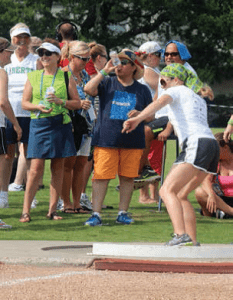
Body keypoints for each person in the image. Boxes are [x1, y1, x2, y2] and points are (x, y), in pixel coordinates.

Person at [122, 63, 219, 246]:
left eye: (163, 81)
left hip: (196, 144)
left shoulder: (177, 90)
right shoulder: (196, 97)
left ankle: (180, 235)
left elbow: (158, 103)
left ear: (176, 79)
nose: (162, 85)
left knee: (166, 190)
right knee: (180, 195)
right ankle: (192, 240)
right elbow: (170, 116)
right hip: (210, 145)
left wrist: (137, 118)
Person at [83, 49, 152, 226]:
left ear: (133, 67)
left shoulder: (142, 90)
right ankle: (96, 214)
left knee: (128, 177)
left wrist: (140, 114)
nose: (119, 65)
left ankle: (123, 212)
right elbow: (88, 89)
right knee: (101, 177)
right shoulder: (107, 82)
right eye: (117, 61)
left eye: (124, 62)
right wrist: (105, 71)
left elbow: (151, 116)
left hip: (132, 141)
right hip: (107, 139)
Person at [19, 39, 81, 222]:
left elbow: (77, 103)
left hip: (60, 123)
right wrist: (37, 107)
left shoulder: (65, 76)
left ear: (58, 57)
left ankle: (53, 210)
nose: (44, 57)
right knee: (35, 169)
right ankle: (26, 211)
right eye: (41, 54)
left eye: (48, 54)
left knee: (58, 168)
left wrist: (62, 102)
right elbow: (24, 103)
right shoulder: (34, 76)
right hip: (39, 123)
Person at [3, 23, 42, 208]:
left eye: (25, 37)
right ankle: (4, 195)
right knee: (8, 154)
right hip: (8, 113)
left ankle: (30, 194)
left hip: (29, 112)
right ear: (12, 39)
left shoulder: (35, 60)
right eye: (18, 37)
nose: (22, 41)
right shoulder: (6, 58)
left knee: (29, 153)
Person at [60, 41, 94, 214]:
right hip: (70, 124)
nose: (86, 62)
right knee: (68, 164)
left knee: (81, 164)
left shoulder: (86, 75)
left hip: (86, 125)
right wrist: (79, 103)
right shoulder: (63, 75)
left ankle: (77, 202)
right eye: (83, 58)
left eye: (88, 58)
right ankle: (65, 203)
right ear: (72, 57)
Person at [79, 41, 108, 211]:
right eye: (105, 56)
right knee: (87, 160)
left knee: (94, 161)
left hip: (97, 120)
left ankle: (90, 197)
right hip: (92, 121)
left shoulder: (95, 72)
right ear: (99, 58)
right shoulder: (92, 73)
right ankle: (82, 196)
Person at [136, 41, 163, 204]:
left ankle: (151, 195)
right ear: (151, 56)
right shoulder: (149, 71)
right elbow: (166, 87)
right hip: (151, 120)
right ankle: (148, 195)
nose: (162, 58)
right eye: (159, 55)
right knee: (152, 157)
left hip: (150, 118)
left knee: (150, 157)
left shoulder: (148, 70)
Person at [0, 37, 22, 228]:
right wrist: (15, 124)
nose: (11, 54)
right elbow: (3, 102)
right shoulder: (1, 72)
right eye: (8, 51)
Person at [195, 132, 233, 219]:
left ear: (226, 147)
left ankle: (223, 214)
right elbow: (205, 180)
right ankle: (229, 212)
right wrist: (211, 194)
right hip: (221, 200)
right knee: (199, 192)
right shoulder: (215, 161)